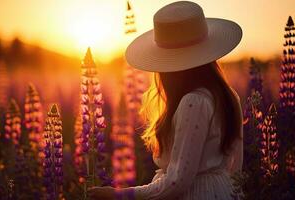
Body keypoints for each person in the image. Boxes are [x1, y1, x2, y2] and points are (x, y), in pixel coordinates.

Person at [89, 1, 243, 199]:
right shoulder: (228, 96)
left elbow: (177, 182)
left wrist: (120, 195)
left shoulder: (193, 103)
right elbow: (236, 170)